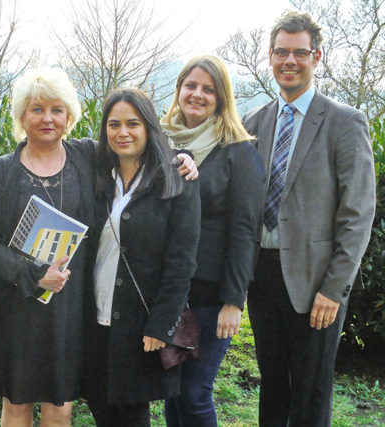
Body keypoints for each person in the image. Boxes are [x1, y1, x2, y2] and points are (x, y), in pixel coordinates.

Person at [242, 11, 375, 426]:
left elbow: (357, 214)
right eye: (282, 52)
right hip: (262, 276)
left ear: (317, 57)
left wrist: (334, 289)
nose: (290, 61)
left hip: (317, 281)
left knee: (312, 389)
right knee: (273, 383)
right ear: (270, 56)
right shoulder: (254, 123)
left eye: (300, 53)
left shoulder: (344, 122)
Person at [0, 68, 96, 427]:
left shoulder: (87, 158)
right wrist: (33, 275)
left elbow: (136, 149)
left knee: (61, 407)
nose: (47, 118)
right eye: (37, 109)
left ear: (69, 116)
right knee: (17, 405)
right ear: (22, 116)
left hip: (71, 308)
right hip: (17, 306)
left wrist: (180, 155)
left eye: (57, 109)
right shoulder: (1, 171)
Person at [83, 88, 201, 427]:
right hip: (95, 319)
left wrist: (162, 324)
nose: (123, 133)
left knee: (132, 415)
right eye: (114, 124)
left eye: (133, 123)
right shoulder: (98, 174)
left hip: (140, 323)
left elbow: (182, 262)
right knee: (102, 410)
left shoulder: (175, 178)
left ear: (149, 127)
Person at [160, 55, 265, 426]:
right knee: (173, 390)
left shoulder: (239, 152)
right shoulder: (160, 142)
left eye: (208, 89)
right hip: (169, 291)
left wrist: (233, 302)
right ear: (179, 90)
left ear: (222, 97)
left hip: (210, 295)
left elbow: (245, 231)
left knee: (194, 393)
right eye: (191, 86)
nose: (197, 94)